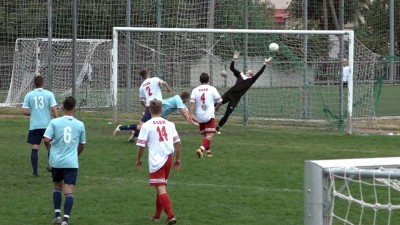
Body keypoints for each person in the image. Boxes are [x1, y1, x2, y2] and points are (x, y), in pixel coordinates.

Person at [136, 99, 181, 225]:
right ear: (162, 110)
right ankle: (156, 216)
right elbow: (178, 143)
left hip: (157, 161)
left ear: (149, 110)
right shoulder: (170, 124)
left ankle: (171, 216)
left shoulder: (146, 125)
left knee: (161, 189)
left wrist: (138, 159)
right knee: (160, 187)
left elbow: (141, 146)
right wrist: (177, 159)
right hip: (168, 158)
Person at [43, 96, 86, 225]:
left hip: (56, 161)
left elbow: (46, 139)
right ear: (75, 109)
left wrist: (50, 150)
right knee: (69, 190)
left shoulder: (54, 122)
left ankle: (57, 216)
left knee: (57, 187)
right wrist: (76, 154)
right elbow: (82, 144)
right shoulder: (80, 124)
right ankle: (65, 220)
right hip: (71, 162)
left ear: (62, 107)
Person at [215, 52, 272, 134]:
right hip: (229, 93)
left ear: (251, 74)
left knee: (227, 114)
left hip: (235, 99)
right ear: (247, 71)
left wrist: (265, 63)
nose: (250, 70)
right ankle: (205, 119)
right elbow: (231, 68)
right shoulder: (240, 75)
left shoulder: (251, 80)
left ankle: (217, 128)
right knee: (216, 104)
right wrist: (234, 59)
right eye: (249, 69)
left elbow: (260, 73)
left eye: (251, 70)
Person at [113, 69, 172, 142]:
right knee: (143, 126)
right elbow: (164, 83)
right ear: (148, 73)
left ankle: (134, 134)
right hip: (158, 104)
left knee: (157, 122)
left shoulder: (141, 87)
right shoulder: (155, 79)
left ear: (142, 77)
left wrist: (147, 109)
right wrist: (168, 89)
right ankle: (122, 128)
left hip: (149, 106)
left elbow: (141, 101)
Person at [113, 91, 198, 140]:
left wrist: (199, 122)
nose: (187, 101)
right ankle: (121, 127)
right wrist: (194, 123)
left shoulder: (180, 102)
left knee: (152, 129)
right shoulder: (178, 99)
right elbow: (185, 114)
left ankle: (135, 134)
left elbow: (189, 114)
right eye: (187, 100)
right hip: (153, 110)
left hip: (157, 114)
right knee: (141, 127)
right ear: (186, 98)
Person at [22, 75, 58, 176]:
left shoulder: (29, 95)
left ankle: (35, 172)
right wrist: (57, 119)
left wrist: (33, 113)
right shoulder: (49, 94)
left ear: (34, 83)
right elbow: (54, 110)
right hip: (47, 125)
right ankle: (52, 167)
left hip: (35, 125)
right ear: (43, 83)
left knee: (35, 146)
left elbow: (25, 111)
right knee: (49, 145)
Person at [189, 72, 222, 158]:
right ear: (208, 80)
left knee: (205, 135)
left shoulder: (195, 90)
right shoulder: (212, 89)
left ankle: (209, 152)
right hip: (209, 115)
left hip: (199, 115)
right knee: (210, 135)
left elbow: (192, 103)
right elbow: (220, 101)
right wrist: (217, 108)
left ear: (199, 81)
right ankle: (201, 149)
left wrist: (190, 114)